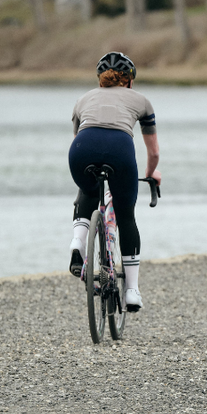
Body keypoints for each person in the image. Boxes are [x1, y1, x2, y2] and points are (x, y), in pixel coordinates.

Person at [67, 51, 161, 311]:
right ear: (129, 80)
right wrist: (152, 172)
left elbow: (79, 135)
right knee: (126, 215)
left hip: (81, 148)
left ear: (101, 80)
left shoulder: (83, 98)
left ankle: (78, 240)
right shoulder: (141, 101)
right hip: (119, 149)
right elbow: (153, 152)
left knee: (88, 187)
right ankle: (131, 291)